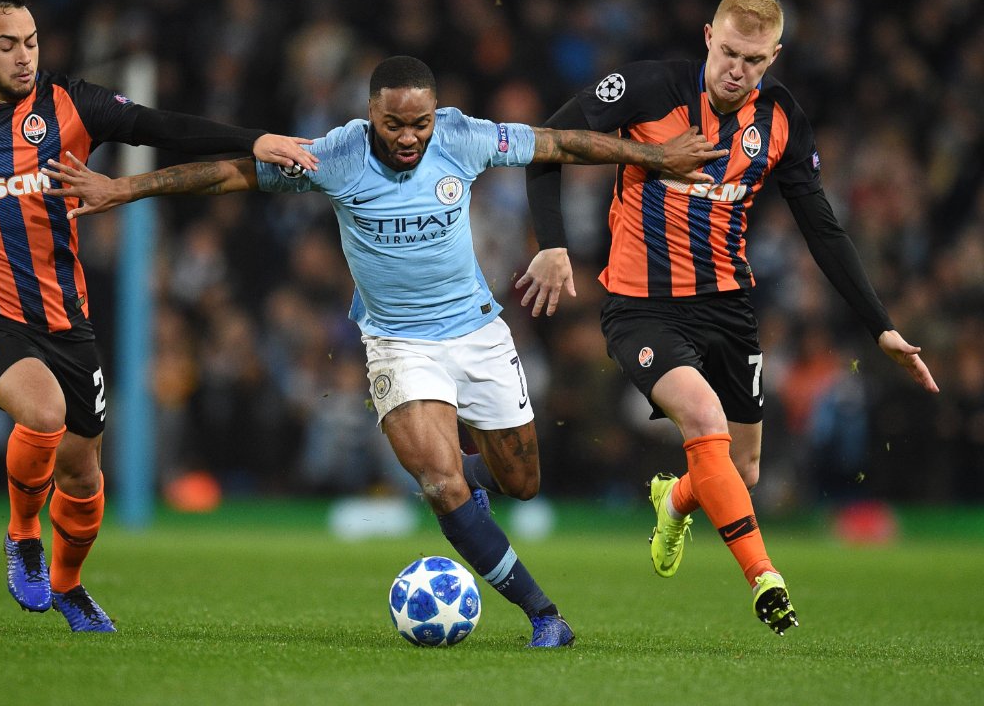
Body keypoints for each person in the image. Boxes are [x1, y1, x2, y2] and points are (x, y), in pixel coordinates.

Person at [41, 55, 726, 647]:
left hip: (477, 330)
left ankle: (464, 494)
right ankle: (544, 613)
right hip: (399, 342)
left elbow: (562, 145)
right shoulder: (336, 155)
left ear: (435, 113)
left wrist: (656, 156)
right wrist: (124, 186)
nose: (408, 137)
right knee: (438, 481)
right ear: (371, 113)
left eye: (419, 123)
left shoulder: (464, 136)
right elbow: (230, 175)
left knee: (521, 482)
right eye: (394, 123)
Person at [0, 0, 317, 632]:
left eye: (30, 41)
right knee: (44, 411)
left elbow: (157, 125)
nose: (24, 55)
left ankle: (69, 585)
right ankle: (22, 534)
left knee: (83, 476)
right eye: (7, 45)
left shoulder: (70, 104)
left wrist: (252, 138)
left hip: (65, 322)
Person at [521, 0, 940, 635]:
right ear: (709, 38)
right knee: (703, 416)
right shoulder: (646, 89)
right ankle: (764, 577)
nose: (737, 68)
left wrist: (880, 323)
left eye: (753, 58)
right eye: (729, 51)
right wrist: (552, 243)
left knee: (740, 470)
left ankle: (676, 496)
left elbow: (821, 226)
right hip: (642, 308)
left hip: (728, 309)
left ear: (774, 56)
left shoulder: (780, 119)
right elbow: (548, 143)